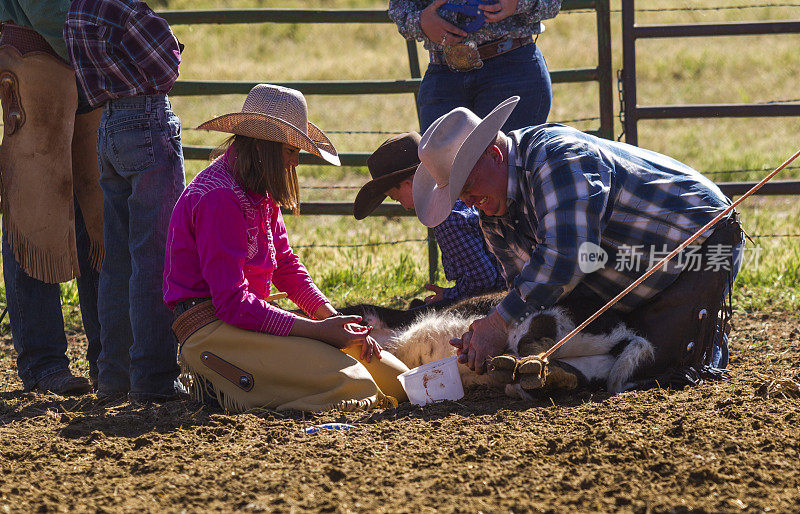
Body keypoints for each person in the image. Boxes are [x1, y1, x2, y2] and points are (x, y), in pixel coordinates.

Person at [411, 97, 744, 390]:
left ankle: (688, 344)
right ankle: (581, 372)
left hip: (699, 246)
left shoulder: (556, 158)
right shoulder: (494, 213)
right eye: (459, 195)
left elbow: (564, 257)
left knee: (656, 369)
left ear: (495, 154)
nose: (468, 202)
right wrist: (501, 329)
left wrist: (497, 324)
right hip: (623, 275)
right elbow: (529, 293)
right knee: (616, 357)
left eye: (467, 186)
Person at [164, 84, 409, 412]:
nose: (294, 162)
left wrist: (334, 321)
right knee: (356, 385)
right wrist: (319, 331)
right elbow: (231, 303)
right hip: (213, 330)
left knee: (399, 380)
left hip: (246, 320)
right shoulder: (219, 199)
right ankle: (232, 388)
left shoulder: (257, 189)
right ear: (266, 146)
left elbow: (285, 266)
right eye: (291, 151)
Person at [63, 0, 186, 402]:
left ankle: (113, 374)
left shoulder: (79, 9)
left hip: (108, 123)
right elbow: (167, 68)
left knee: (117, 262)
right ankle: (153, 376)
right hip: (146, 119)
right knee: (154, 257)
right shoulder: (124, 8)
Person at [0, 3, 104, 394]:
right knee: (34, 210)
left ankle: (101, 358)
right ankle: (44, 362)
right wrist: (108, 39)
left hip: (66, 57)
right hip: (45, 55)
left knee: (94, 216)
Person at [353, 131, 504, 305]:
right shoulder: (456, 199)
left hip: (496, 299)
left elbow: (483, 279)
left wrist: (449, 295)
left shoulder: (446, 220)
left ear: (409, 185)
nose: (403, 206)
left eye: (397, 197)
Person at [388, 0, 561, 132]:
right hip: (444, 75)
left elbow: (553, 3)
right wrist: (420, 22)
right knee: (442, 172)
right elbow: (400, 7)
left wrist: (518, 3)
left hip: (511, 71)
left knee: (509, 170)